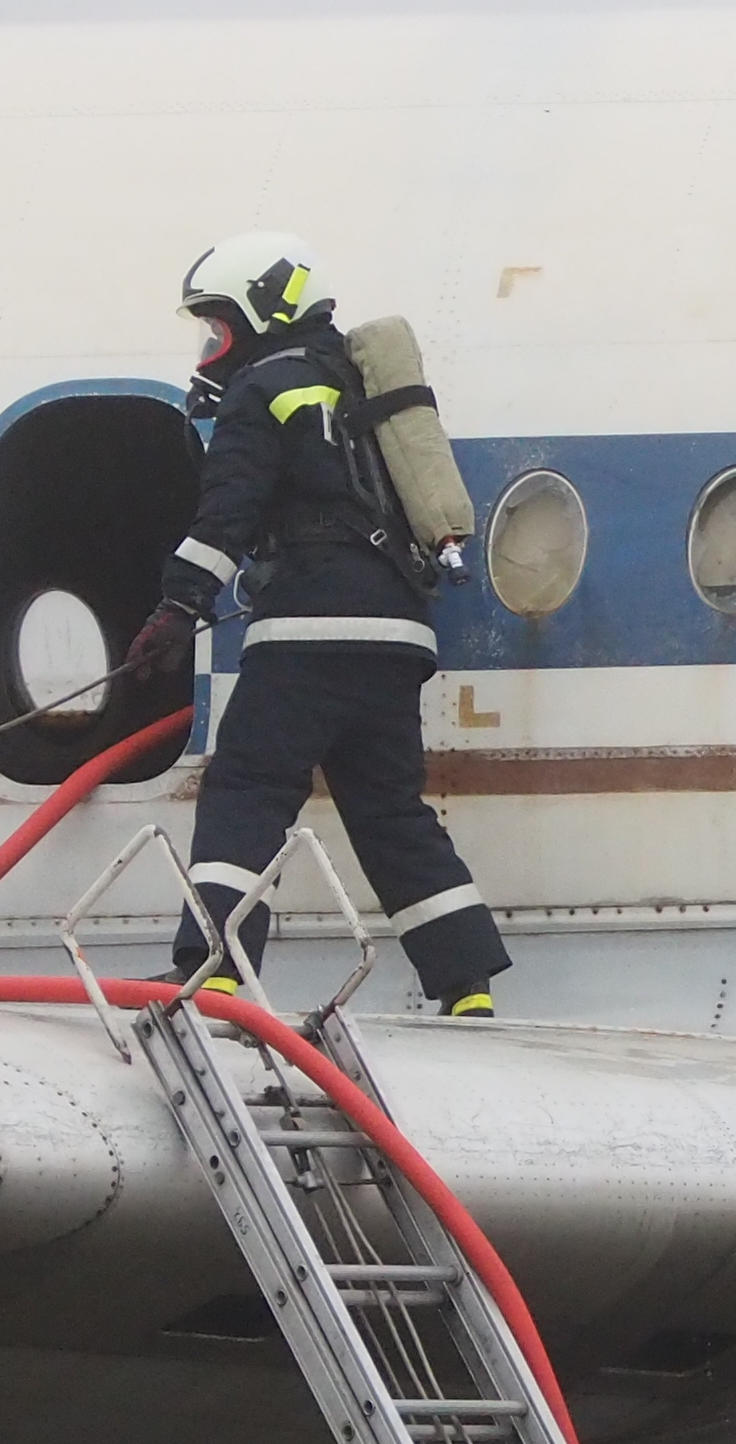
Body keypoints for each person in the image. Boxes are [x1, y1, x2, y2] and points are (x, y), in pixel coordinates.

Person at [133, 230, 511, 1019]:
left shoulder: (263, 388)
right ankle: (466, 983)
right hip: (398, 634)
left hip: (306, 629)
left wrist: (176, 608)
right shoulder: (363, 390)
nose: (212, 346)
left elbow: (224, 515)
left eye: (219, 324)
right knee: (389, 809)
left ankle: (217, 969)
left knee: (248, 787)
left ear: (263, 311)